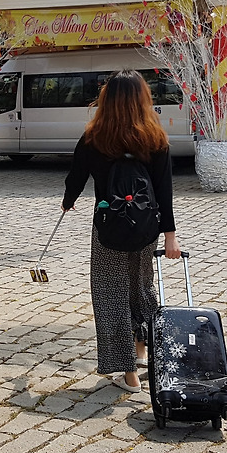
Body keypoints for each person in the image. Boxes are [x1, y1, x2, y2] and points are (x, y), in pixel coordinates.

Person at [63, 71, 180, 393]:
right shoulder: (155, 138)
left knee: (110, 293)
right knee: (141, 288)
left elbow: (76, 176)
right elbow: (164, 190)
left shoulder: (94, 137)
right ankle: (144, 353)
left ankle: (129, 373)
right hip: (146, 228)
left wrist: (68, 202)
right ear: (143, 98)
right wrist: (170, 235)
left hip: (108, 228)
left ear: (107, 99)